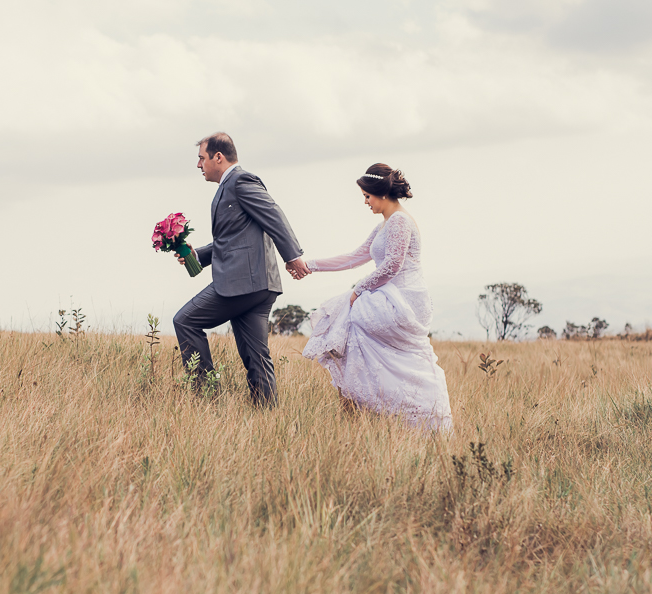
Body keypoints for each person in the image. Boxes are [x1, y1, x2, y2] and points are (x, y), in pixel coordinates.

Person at [293, 164, 452, 430]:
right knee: (346, 334)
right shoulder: (385, 224)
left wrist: (358, 290)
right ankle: (362, 407)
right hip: (388, 294)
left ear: (381, 193)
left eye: (367, 196)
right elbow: (355, 257)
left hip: (403, 299)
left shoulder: (400, 221)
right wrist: (309, 265)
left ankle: (369, 407)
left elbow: (392, 266)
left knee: (345, 327)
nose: (365, 202)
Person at [173, 133, 309, 407]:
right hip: (257, 284)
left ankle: (208, 398)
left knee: (185, 320)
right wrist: (195, 254)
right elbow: (233, 241)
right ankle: (266, 416)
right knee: (256, 356)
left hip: (241, 284)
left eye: (201, 158)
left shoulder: (240, 181)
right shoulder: (230, 186)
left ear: (218, 157)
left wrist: (293, 256)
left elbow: (275, 216)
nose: (199, 165)